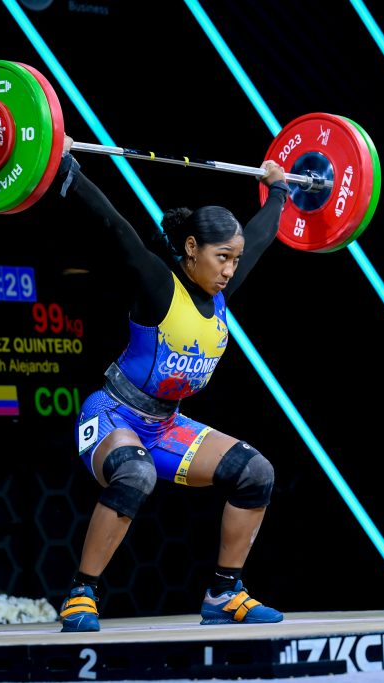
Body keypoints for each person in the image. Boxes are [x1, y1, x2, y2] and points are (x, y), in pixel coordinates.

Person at [53, 135, 290, 632]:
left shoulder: (221, 291)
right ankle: (82, 593)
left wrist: (279, 191)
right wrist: (62, 163)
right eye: (222, 257)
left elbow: (263, 235)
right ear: (191, 248)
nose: (229, 269)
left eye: (235, 260)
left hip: (164, 426)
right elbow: (115, 228)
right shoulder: (160, 286)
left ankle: (225, 594)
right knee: (135, 475)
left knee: (256, 473)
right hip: (112, 415)